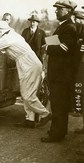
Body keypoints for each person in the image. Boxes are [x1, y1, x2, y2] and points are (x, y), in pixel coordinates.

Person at [0, 21, 51, 128]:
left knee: (27, 94)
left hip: (28, 64)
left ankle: (45, 114)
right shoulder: (14, 35)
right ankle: (30, 120)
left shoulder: (7, 38)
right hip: (29, 63)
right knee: (28, 92)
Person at [40, 0, 78, 142]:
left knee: (59, 105)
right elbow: (58, 42)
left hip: (61, 75)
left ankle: (57, 134)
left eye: (59, 9)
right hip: (59, 74)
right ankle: (58, 132)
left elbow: (65, 48)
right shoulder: (63, 26)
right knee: (57, 104)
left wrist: (47, 48)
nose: (56, 11)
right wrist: (49, 43)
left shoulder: (69, 27)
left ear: (68, 11)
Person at [73, 10, 84, 135]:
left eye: (79, 18)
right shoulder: (76, 30)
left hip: (81, 65)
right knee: (79, 91)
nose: (77, 21)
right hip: (77, 66)